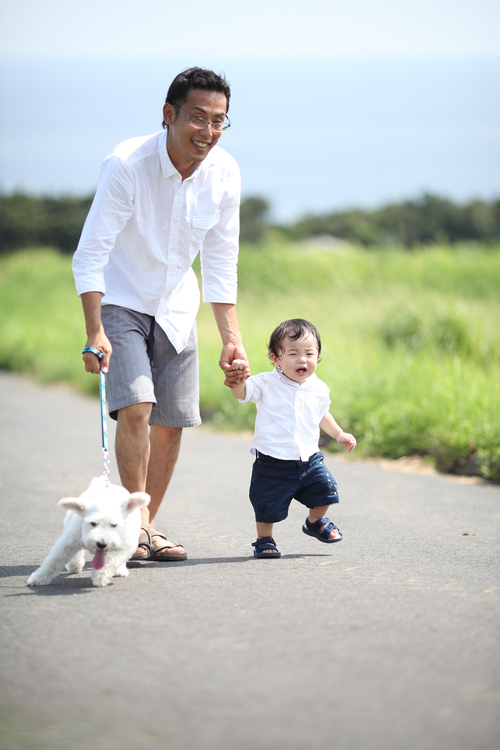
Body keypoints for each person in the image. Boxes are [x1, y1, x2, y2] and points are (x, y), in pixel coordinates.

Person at [72, 67, 249, 562]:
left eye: (219, 121)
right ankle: (141, 529)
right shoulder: (127, 164)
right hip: (122, 299)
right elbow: (89, 255)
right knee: (137, 408)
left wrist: (230, 337)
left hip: (177, 306)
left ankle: (144, 526)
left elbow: (220, 260)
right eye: (198, 117)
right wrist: (94, 331)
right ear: (169, 115)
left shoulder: (225, 173)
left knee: (171, 423)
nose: (208, 131)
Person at [230, 318, 356, 558]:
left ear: (318, 356)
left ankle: (315, 521)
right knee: (266, 503)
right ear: (275, 358)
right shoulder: (266, 382)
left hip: (309, 459)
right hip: (272, 461)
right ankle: (264, 539)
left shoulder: (318, 388)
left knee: (325, 489)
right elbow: (244, 393)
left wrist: (339, 433)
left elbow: (322, 414)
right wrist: (237, 382)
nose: (302, 360)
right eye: (293, 353)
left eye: (310, 353)